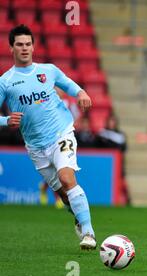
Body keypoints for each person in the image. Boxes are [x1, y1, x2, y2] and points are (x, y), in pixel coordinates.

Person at [0, 25, 97, 250]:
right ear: (11, 48)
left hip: (61, 132)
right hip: (35, 146)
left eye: (27, 44)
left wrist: (81, 93)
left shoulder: (48, 70)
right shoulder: (5, 81)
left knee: (66, 177)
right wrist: (6, 121)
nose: (24, 48)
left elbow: (70, 86)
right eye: (19, 45)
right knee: (63, 195)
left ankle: (89, 233)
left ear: (33, 47)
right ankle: (79, 217)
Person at [97, 113, 131, 205]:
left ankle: (125, 200)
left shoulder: (120, 135)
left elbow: (123, 148)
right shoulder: (102, 134)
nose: (111, 123)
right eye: (110, 121)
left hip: (118, 163)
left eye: (113, 121)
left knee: (121, 182)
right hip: (105, 163)